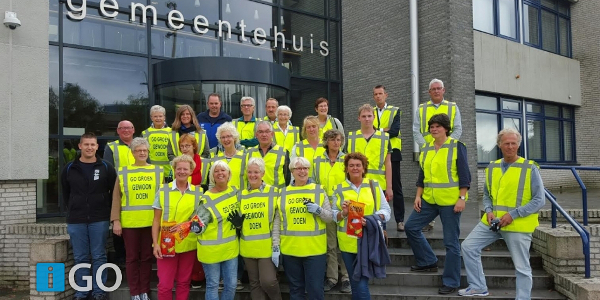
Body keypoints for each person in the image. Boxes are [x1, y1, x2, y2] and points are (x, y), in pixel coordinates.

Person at [459, 128, 545, 299]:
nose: (510, 146)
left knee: (522, 267)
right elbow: (487, 196)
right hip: (493, 222)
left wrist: (514, 214)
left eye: (514, 143)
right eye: (506, 143)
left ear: (518, 145)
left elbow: (539, 200)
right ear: (499, 145)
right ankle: (478, 287)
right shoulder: (492, 167)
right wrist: (489, 211)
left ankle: (523, 298)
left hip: (518, 224)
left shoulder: (530, 168)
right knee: (468, 247)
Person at [404, 113, 470, 295]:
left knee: (451, 243)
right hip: (429, 200)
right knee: (411, 226)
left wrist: (461, 199)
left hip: (451, 202)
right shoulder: (425, 148)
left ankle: (451, 281)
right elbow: (422, 176)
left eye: (437, 126)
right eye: (431, 127)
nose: (434, 129)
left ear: (446, 129)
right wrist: (418, 196)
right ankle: (427, 261)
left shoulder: (457, 147)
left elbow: (465, 175)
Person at [61, 132, 117, 300]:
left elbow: (115, 193)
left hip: (99, 218)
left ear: (97, 147)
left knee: (99, 254)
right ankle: (82, 291)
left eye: (92, 145)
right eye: (86, 144)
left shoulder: (106, 167)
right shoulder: (70, 168)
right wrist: (72, 208)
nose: (89, 148)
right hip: (76, 219)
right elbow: (66, 193)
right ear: (80, 146)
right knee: (81, 257)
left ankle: (98, 291)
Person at [332, 152, 391, 299]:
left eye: (358, 165)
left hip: (367, 241)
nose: (355, 168)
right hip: (347, 242)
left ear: (364, 168)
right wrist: (343, 213)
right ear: (346, 168)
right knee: (355, 279)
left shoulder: (373, 185)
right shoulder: (339, 188)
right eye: (351, 165)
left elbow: (386, 211)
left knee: (360, 281)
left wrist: (371, 219)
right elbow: (334, 216)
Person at [111, 138, 163, 300]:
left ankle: (144, 291)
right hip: (130, 223)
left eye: (144, 151)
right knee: (132, 258)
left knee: (147, 258)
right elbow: (116, 198)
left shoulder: (158, 170)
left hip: (151, 223)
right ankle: (134, 292)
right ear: (132, 153)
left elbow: (163, 198)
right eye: (138, 150)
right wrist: (116, 220)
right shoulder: (123, 171)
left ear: (148, 152)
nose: (142, 153)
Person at [279, 157, 334, 300]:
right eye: (298, 168)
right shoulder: (283, 192)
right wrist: (275, 245)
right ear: (292, 171)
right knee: (296, 291)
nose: (302, 171)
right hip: (290, 249)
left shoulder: (318, 190)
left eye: (305, 168)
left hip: (314, 251)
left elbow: (329, 217)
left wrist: (318, 210)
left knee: (315, 290)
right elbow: (278, 221)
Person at [412, 79, 463, 232]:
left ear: (443, 90)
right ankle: (429, 220)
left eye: (438, 88)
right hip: (429, 153)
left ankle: (447, 215)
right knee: (429, 182)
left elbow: (458, 129)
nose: (436, 91)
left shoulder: (452, 107)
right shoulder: (421, 109)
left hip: (448, 152)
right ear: (429, 92)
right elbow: (416, 130)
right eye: (433, 89)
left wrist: (447, 146)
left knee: (446, 180)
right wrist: (425, 147)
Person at [152, 155, 203, 300]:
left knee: (184, 283)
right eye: (178, 168)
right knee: (165, 285)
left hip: (188, 244)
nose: (182, 171)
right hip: (166, 245)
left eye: (185, 169)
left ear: (191, 171)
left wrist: (184, 225)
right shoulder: (162, 190)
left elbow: (200, 220)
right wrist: (155, 243)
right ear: (174, 170)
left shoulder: (199, 193)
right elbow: (156, 220)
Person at [195, 161, 241, 300]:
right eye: (216, 171)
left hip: (230, 249)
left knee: (231, 285)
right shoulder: (206, 198)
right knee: (213, 285)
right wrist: (195, 227)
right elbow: (199, 227)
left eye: (223, 170)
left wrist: (240, 225)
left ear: (229, 175)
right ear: (212, 176)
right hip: (210, 251)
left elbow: (240, 217)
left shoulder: (235, 192)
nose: (220, 173)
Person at [312, 129, 350, 293]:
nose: (336, 143)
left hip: (344, 207)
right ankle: (332, 277)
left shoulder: (347, 159)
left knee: (346, 244)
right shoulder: (318, 160)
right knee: (331, 244)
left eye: (339, 140)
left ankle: (347, 278)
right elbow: (314, 183)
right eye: (333, 139)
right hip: (326, 207)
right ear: (326, 141)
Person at [239, 157, 282, 300]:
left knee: (268, 281)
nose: (252, 175)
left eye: (256, 172)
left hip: (267, 247)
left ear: (263, 173)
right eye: (250, 172)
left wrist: (276, 245)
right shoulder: (241, 195)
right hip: (247, 247)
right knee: (255, 284)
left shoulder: (274, 192)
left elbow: (278, 220)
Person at [372, 85, 405, 232]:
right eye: (375, 94)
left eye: (380, 93)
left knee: (396, 187)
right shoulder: (370, 112)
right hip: (376, 153)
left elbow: (394, 131)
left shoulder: (395, 110)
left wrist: (378, 131)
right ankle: (375, 217)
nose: (378, 96)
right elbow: (369, 131)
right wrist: (383, 129)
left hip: (394, 151)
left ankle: (400, 220)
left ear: (386, 95)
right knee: (375, 186)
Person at [104, 120, 135, 267]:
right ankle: (121, 256)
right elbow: (109, 170)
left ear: (134, 130)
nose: (126, 131)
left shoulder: (140, 146)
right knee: (119, 224)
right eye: (122, 128)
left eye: (128, 128)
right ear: (118, 131)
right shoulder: (111, 147)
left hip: (137, 190)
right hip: (119, 190)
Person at [346, 104, 393, 200]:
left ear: (374, 117)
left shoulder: (384, 138)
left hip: (378, 185)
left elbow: (388, 163)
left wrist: (389, 187)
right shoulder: (352, 138)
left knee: (378, 214)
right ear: (359, 118)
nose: (367, 119)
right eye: (363, 116)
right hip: (355, 185)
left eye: (369, 116)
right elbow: (346, 163)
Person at [247, 121, 290, 188]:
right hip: (255, 195)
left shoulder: (283, 152)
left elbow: (287, 178)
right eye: (260, 132)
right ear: (256, 135)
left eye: (267, 131)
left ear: (272, 134)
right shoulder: (249, 152)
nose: (264, 135)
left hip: (276, 195)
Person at [207, 122, 247, 190]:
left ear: (234, 137)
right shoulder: (215, 159)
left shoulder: (245, 158)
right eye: (223, 137)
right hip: (221, 198)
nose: (226, 140)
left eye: (228, 136)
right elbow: (212, 183)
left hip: (240, 198)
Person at [142, 105, 172, 180]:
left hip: (169, 171)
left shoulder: (172, 132)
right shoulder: (145, 133)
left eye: (160, 116)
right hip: (151, 171)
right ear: (151, 117)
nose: (158, 118)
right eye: (155, 116)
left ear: (164, 117)